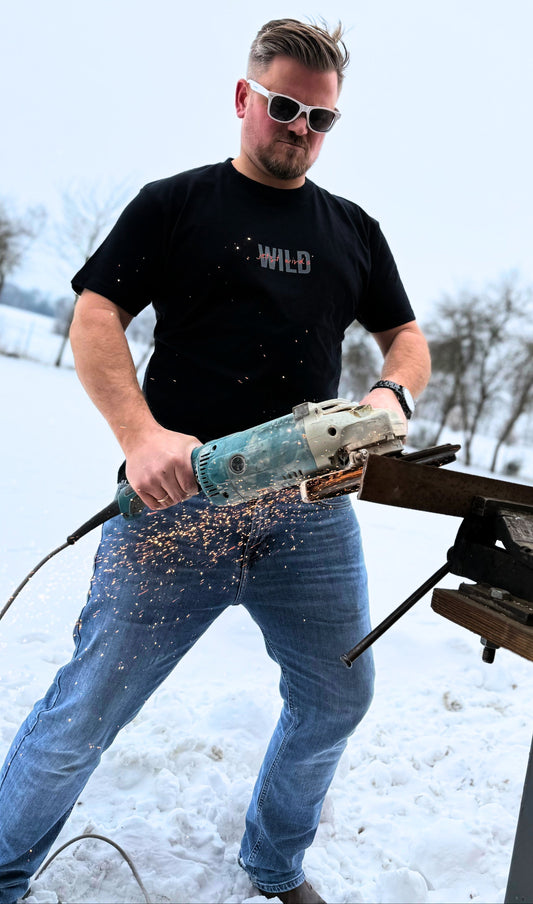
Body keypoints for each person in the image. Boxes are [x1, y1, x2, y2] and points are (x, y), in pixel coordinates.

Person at [0, 18, 430, 904]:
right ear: (244, 99)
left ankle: (274, 866)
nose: (298, 128)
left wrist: (393, 395)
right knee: (86, 711)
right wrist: (140, 438)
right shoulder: (177, 202)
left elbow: (406, 336)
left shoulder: (352, 229)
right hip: (174, 507)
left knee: (335, 699)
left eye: (320, 118)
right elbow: (94, 316)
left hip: (309, 514)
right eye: (282, 107)